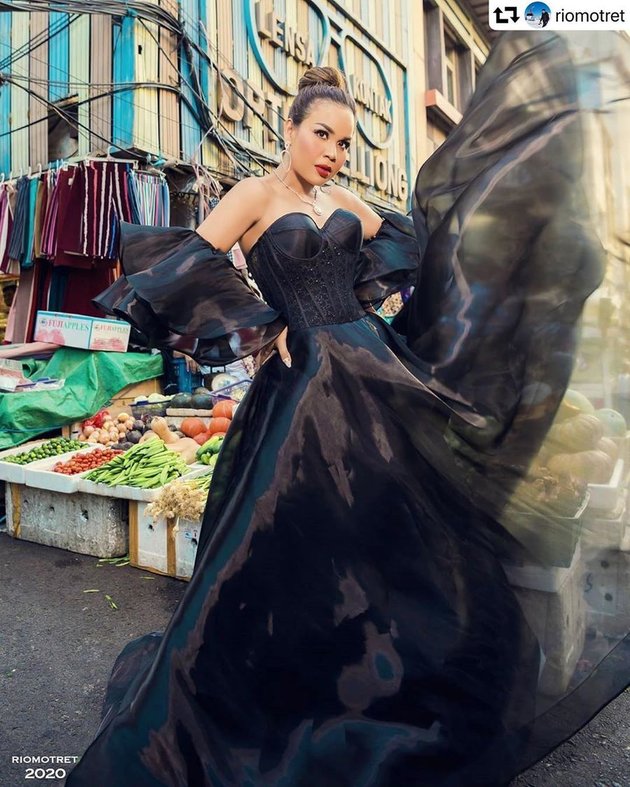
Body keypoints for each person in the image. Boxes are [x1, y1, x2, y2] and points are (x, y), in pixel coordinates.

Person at [67, 31, 630, 787]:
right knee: (283, 546)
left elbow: (414, 242)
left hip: (372, 369)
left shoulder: (345, 203)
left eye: (344, 141)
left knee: (388, 538)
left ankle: (383, 678)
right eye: (322, 136)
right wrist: (262, 328)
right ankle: (277, 693)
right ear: (289, 132)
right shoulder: (255, 197)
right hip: (302, 393)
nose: (333, 152)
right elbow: (187, 265)